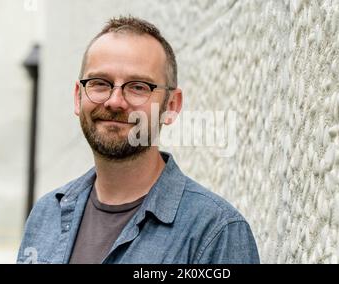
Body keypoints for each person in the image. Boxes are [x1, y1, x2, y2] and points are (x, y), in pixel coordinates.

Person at [17, 16, 259, 264]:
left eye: (138, 87)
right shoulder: (46, 214)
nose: (114, 101)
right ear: (79, 97)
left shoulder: (216, 232)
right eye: (100, 83)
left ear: (172, 105)